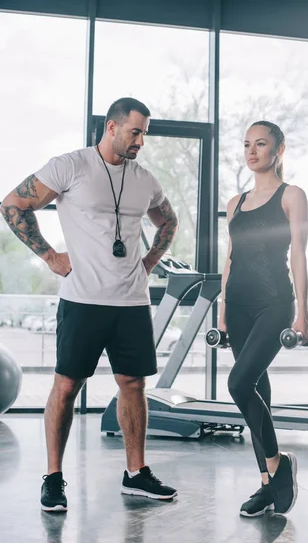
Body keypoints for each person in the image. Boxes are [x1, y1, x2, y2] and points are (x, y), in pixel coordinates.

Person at [0, 97, 179, 512]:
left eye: (145, 134)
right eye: (135, 132)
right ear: (112, 127)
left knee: (133, 385)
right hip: (82, 299)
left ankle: (136, 474)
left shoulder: (144, 178)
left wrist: (150, 261)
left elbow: (167, 220)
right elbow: (13, 204)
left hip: (131, 301)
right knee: (66, 387)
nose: (141, 141)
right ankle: (54, 478)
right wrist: (49, 257)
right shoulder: (70, 166)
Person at [218, 120, 308, 517]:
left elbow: (300, 255)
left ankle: (278, 464)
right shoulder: (234, 203)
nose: (251, 151)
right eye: (246, 145)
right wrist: (222, 311)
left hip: (275, 304)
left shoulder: (292, 195)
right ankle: (266, 485)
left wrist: (303, 312)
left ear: (279, 149)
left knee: (238, 383)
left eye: (260, 144)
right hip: (237, 304)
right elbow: (230, 258)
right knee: (258, 392)